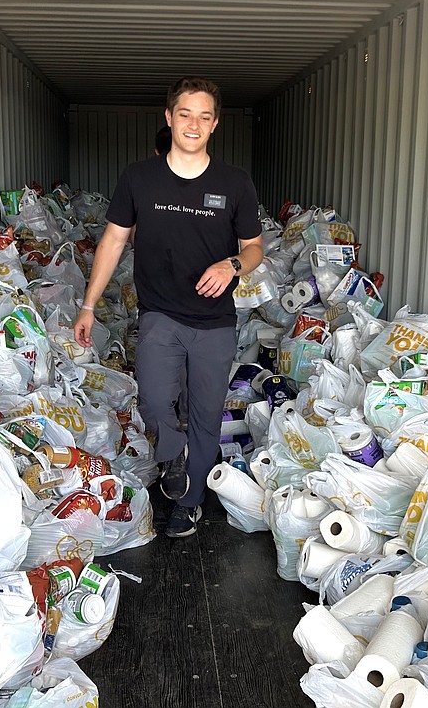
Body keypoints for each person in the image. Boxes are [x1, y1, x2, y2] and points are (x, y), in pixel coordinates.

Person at [73, 77, 264, 538]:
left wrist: (232, 264)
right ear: (169, 118)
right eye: (185, 114)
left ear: (215, 123)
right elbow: (115, 239)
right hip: (160, 314)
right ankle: (172, 454)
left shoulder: (234, 183)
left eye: (203, 116)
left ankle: (190, 501)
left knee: (205, 412)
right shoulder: (140, 178)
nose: (193, 124)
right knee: (155, 401)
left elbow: (255, 246)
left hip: (215, 322)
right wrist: (88, 305)